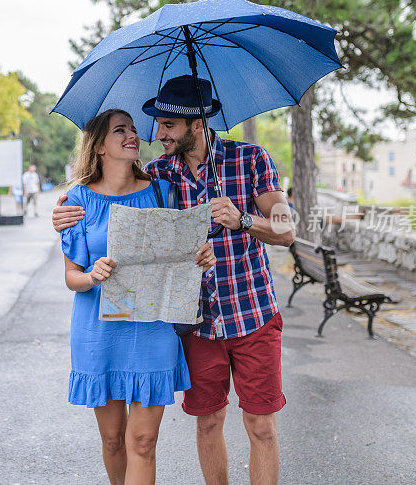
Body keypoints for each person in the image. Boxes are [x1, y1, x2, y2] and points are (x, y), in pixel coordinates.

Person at [53, 76, 295, 485]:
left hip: (252, 312)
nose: (156, 134)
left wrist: (244, 220)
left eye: (166, 125)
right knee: (208, 422)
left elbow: (286, 230)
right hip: (195, 323)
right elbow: (127, 215)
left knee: (261, 427)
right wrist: (64, 212)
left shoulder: (251, 159)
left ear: (196, 125)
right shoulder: (161, 178)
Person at [61, 108, 215, 485]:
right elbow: (70, 277)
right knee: (113, 440)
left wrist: (201, 258)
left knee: (143, 441)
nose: (133, 135)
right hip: (99, 329)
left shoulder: (163, 192)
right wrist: (91, 275)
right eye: (120, 131)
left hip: (152, 328)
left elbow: (183, 258)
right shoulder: (76, 201)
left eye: (133, 129)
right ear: (98, 146)